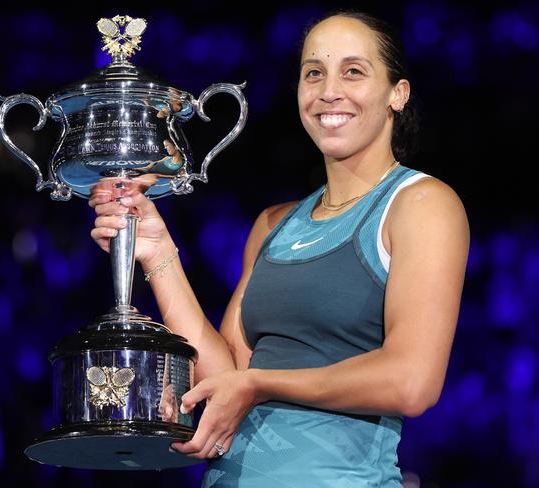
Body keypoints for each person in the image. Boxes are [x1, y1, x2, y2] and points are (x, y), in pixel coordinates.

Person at [89, 10, 470, 487]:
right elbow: (226, 373)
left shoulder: (421, 204)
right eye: (314, 73)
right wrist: (156, 248)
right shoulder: (274, 223)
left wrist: (260, 383)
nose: (329, 90)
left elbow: (412, 382)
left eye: (353, 71)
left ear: (399, 92)